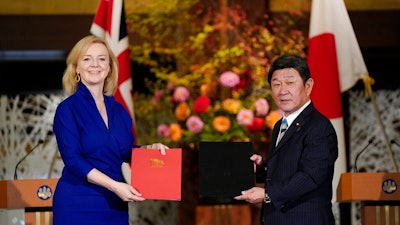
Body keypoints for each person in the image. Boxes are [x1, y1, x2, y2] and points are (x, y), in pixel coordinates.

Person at [52, 35, 169, 225]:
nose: (95, 64)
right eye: (87, 59)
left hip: (114, 205)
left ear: (109, 68)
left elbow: (124, 152)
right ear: (76, 69)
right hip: (78, 203)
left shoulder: (119, 110)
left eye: (102, 59)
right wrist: (115, 186)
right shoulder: (68, 109)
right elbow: (73, 160)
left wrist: (149, 150)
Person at [234, 54, 338, 225]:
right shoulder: (279, 126)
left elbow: (311, 176)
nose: (282, 90)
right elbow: (287, 169)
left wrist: (267, 194)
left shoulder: (319, 126)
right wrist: (262, 168)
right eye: (276, 84)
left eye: (290, 83)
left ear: (308, 86)